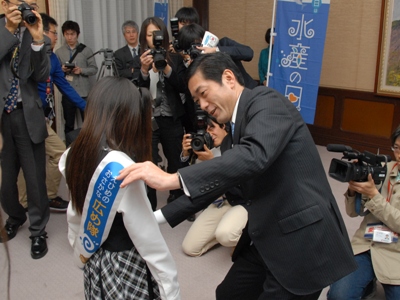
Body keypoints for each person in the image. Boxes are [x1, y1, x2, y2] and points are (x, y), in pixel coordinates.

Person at [117, 52, 358, 299]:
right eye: (195, 99)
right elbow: (225, 182)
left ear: (229, 78)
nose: (201, 105)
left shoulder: (267, 102)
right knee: (228, 294)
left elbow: (255, 156)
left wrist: (172, 179)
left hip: (302, 240)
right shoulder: (233, 131)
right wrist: (153, 217)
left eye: (203, 93)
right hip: (267, 234)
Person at [59, 76, 180, 300]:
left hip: (95, 260)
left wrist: (76, 242)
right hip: (122, 266)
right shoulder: (121, 169)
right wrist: (171, 289)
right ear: (129, 116)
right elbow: (147, 238)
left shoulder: (74, 151)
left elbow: (75, 209)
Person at [18, 13, 86, 212]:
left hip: (42, 118)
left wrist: (86, 106)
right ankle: (35, 200)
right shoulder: (27, 54)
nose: (57, 37)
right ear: (41, 32)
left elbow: (64, 86)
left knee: (43, 156)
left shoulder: (53, 58)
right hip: (26, 116)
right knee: (52, 154)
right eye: (54, 33)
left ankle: (35, 199)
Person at [0, 0, 50, 260]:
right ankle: (16, 215)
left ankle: (38, 230)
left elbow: (41, 75)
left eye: (30, 3)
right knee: (6, 183)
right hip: (3, 119)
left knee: (34, 180)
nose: (25, 8)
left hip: (27, 114)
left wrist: (38, 41)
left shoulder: (36, 30)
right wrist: (9, 28)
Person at [327, 126, 400, 299]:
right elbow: (352, 213)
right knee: (338, 296)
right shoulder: (384, 168)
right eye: (397, 147)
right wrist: (354, 191)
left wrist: (374, 195)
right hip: (368, 243)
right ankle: (367, 285)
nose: (399, 154)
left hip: (396, 253)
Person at [137, 17, 187, 211]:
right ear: (145, 37)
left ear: (163, 36)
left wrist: (167, 68)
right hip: (148, 120)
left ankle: (177, 200)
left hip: (171, 118)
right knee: (148, 161)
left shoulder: (174, 58)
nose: (153, 38)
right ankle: (149, 206)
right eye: (149, 35)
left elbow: (183, 87)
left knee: (175, 159)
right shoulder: (139, 59)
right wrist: (143, 70)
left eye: (156, 34)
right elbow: (136, 93)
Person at [181, 116, 248, 257]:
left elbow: (242, 188)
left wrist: (212, 162)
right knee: (190, 248)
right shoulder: (209, 148)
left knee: (226, 235)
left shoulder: (240, 148)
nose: (208, 133)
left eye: (212, 128)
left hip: (243, 201)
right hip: (220, 202)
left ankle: (248, 239)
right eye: (206, 129)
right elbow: (189, 181)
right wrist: (186, 155)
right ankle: (228, 226)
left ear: (224, 127)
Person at [177, 23, 258, 89]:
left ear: (203, 38)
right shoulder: (189, 62)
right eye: (190, 47)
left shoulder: (224, 44)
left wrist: (216, 50)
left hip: (246, 90)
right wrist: (190, 67)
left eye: (197, 44)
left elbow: (248, 53)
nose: (196, 49)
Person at [55, 20, 98, 136]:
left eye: (72, 34)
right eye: (67, 34)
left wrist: (81, 70)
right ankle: (68, 149)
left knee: (89, 123)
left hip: (84, 92)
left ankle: (89, 147)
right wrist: (61, 69)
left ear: (77, 34)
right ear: (63, 34)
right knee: (68, 124)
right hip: (68, 92)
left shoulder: (86, 50)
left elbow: (94, 69)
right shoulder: (59, 52)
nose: (70, 37)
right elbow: (54, 72)